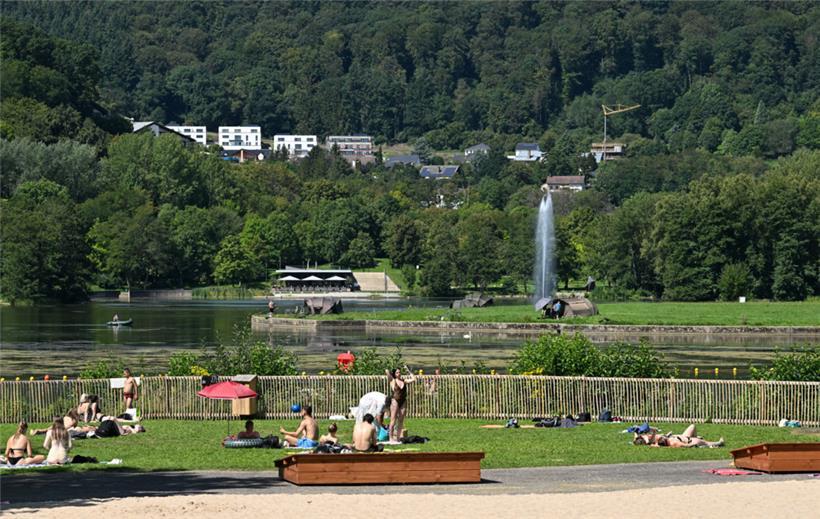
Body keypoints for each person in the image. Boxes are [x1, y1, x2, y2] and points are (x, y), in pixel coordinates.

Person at [386, 366, 416, 442]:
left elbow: (413, 379)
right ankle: (390, 438)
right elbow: (387, 372)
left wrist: (409, 371)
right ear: (394, 374)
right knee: (393, 420)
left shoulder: (404, 380)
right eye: (397, 372)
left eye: (399, 372)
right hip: (395, 401)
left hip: (403, 401)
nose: (399, 374)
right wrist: (388, 370)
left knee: (401, 420)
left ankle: (398, 438)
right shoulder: (392, 381)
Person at [634, 424, 724, 448]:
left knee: (692, 426)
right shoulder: (673, 442)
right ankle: (717, 443)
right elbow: (686, 445)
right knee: (712, 443)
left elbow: (654, 432)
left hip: (683, 437)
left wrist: (636, 430)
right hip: (688, 440)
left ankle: (698, 439)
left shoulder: (654, 440)